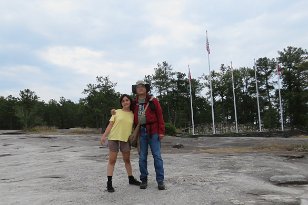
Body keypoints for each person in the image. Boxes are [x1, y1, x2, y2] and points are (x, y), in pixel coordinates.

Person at [101, 94, 141, 193]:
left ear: (130, 101)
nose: (125, 102)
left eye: (127, 100)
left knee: (127, 160)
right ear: (121, 103)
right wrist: (104, 136)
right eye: (123, 101)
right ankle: (109, 183)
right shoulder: (116, 112)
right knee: (112, 160)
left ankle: (131, 179)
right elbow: (110, 125)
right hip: (113, 138)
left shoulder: (133, 114)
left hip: (125, 139)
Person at [132, 80, 166, 190]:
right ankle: (144, 179)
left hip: (154, 132)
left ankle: (160, 181)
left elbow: (160, 116)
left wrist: (161, 131)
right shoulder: (134, 103)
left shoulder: (153, 100)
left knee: (157, 156)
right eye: (138, 87)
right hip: (141, 132)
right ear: (136, 90)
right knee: (142, 157)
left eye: (143, 86)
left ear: (146, 89)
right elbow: (126, 110)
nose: (140, 88)